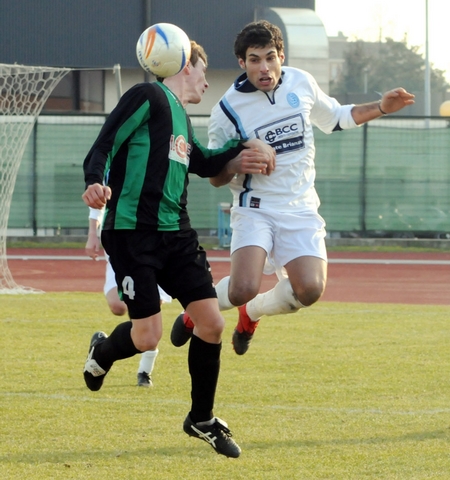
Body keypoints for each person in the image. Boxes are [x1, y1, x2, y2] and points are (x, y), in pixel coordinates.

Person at [169, 20, 414, 355]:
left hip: (300, 207)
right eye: (255, 60)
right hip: (255, 207)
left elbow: (337, 117)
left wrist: (382, 107)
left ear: (281, 55)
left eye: (270, 57)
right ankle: (193, 314)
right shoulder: (226, 110)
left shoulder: (301, 82)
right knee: (242, 288)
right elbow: (214, 175)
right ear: (242, 63)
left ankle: (252, 314)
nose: (264, 67)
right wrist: (237, 162)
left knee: (310, 290)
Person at [81, 38, 275, 458]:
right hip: (134, 234)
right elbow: (105, 142)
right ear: (186, 66)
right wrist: (95, 181)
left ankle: (201, 418)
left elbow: (204, 162)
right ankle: (103, 350)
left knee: (211, 324)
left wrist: (242, 150)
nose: (207, 82)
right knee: (147, 336)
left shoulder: (182, 119)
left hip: (177, 236)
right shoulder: (148, 95)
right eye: (204, 71)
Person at [85, 206, 173, 387]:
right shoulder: (112, 179)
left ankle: (144, 371)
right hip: (121, 247)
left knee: (152, 308)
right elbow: (97, 202)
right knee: (118, 306)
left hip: (155, 244)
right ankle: (101, 349)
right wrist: (92, 234)